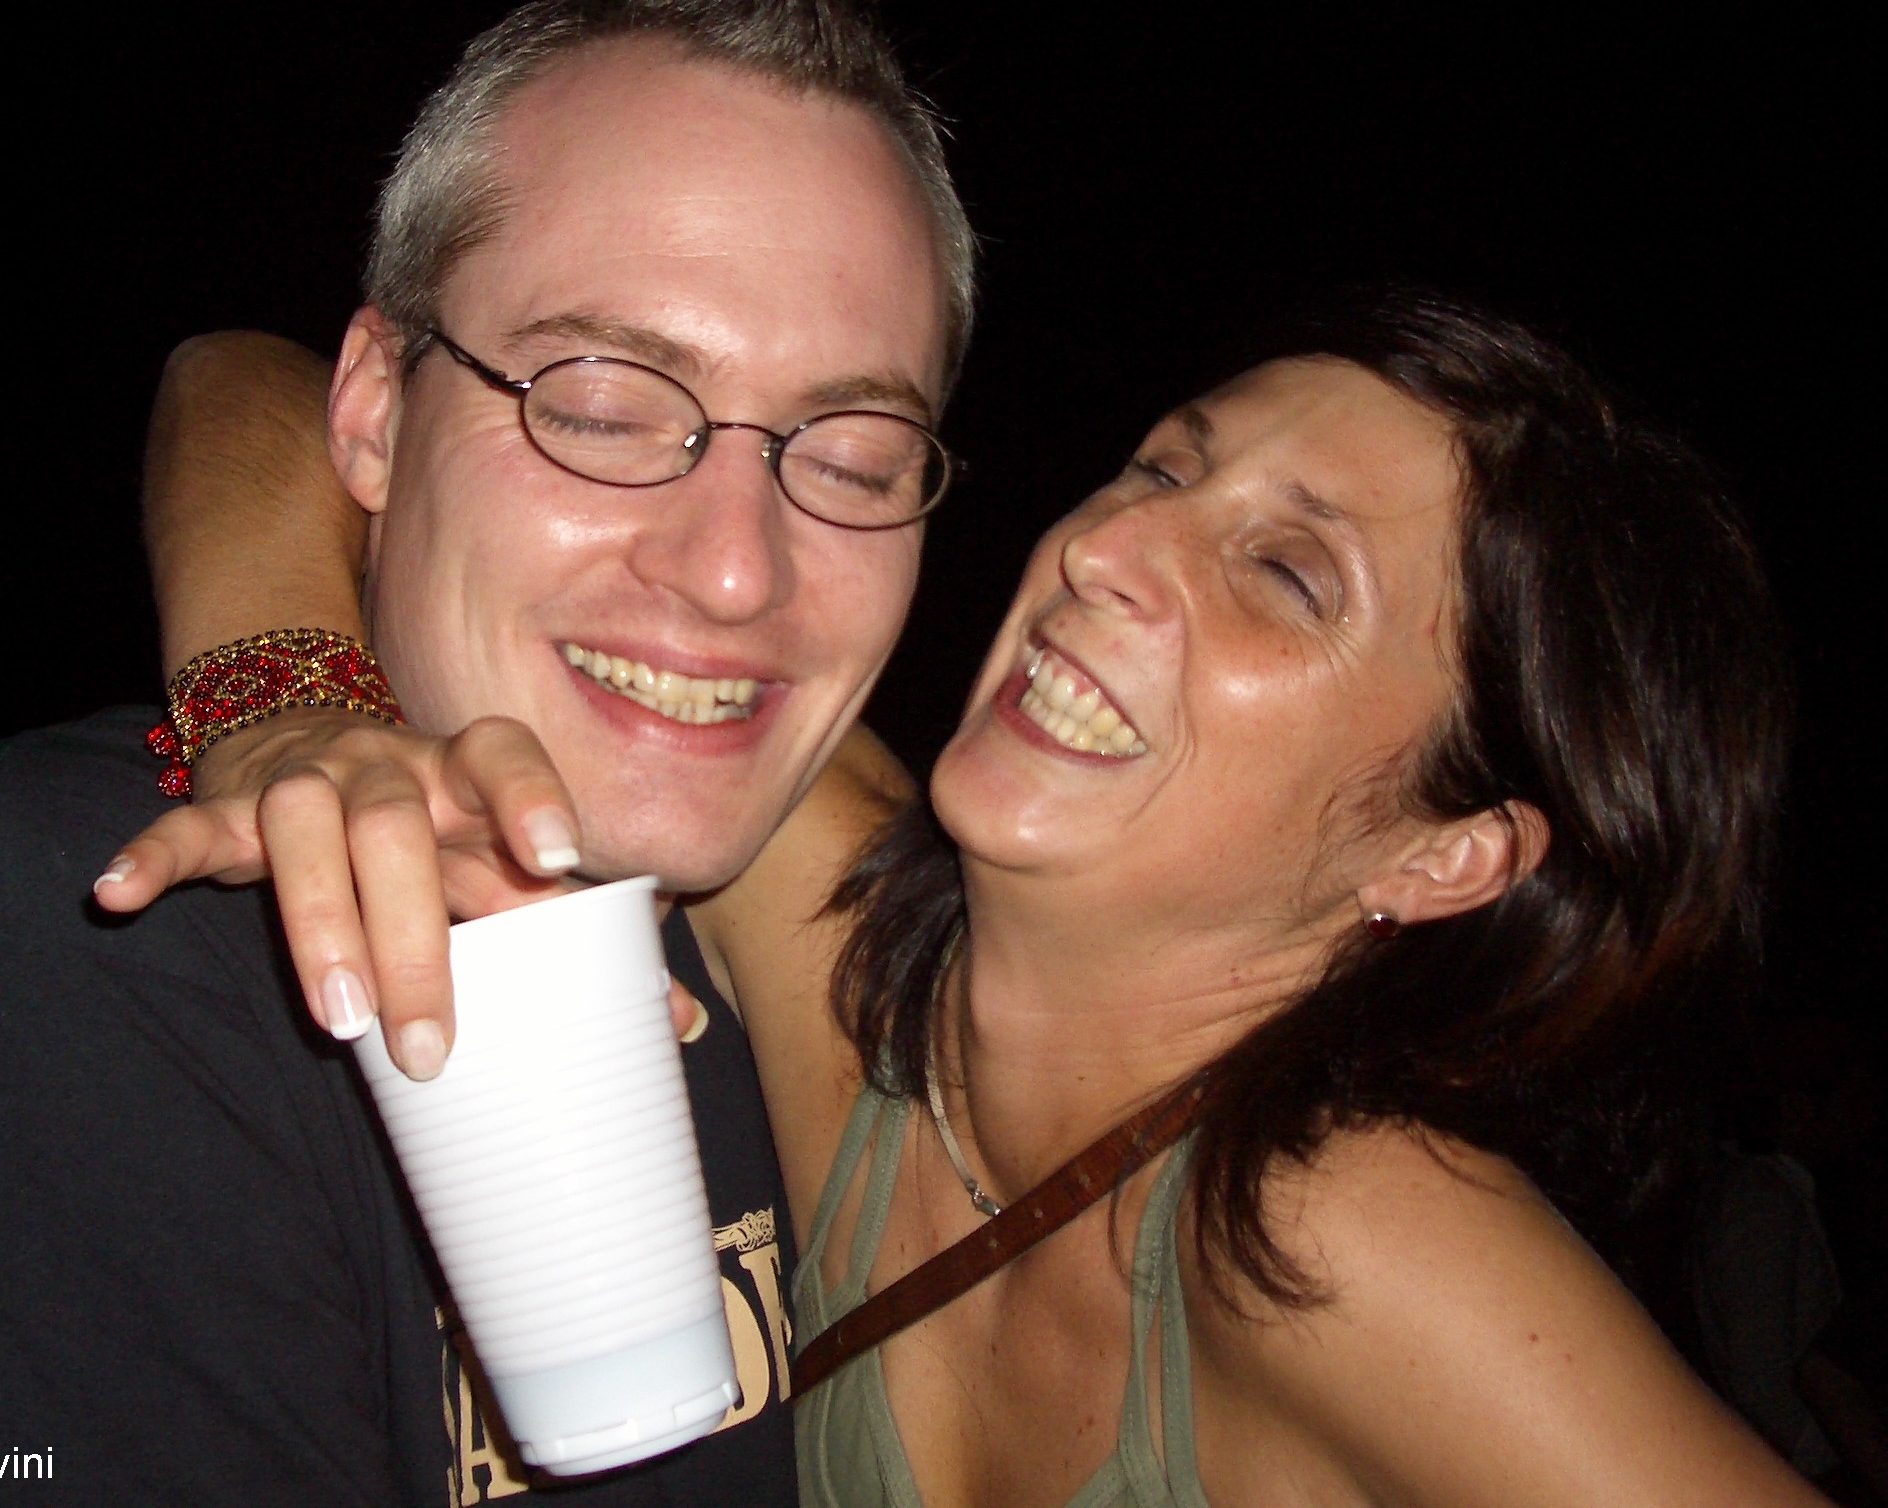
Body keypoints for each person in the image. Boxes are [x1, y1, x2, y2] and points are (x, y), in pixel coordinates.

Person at [132, 291, 1824, 1503]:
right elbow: (251, 383)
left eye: (1287, 572)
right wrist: (291, 707)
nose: (1104, 547)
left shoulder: (1347, 1237)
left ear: (1444, 854)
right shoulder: (836, 935)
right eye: (1163, 470)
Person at [0, 0, 971, 1504]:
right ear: (373, 411)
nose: (738, 569)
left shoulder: (813, 967)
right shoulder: (72, 945)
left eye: (855, 459)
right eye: (602, 408)